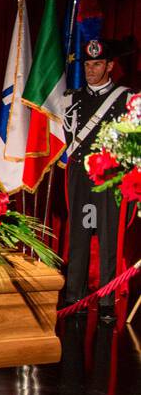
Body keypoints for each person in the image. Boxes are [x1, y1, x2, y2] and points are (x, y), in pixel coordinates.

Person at [62, 38, 134, 321]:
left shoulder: (126, 98)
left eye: (98, 64)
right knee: (78, 234)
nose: (91, 70)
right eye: (88, 65)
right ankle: (73, 296)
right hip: (80, 175)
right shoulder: (71, 98)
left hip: (109, 177)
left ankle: (106, 299)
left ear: (110, 66)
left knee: (108, 238)